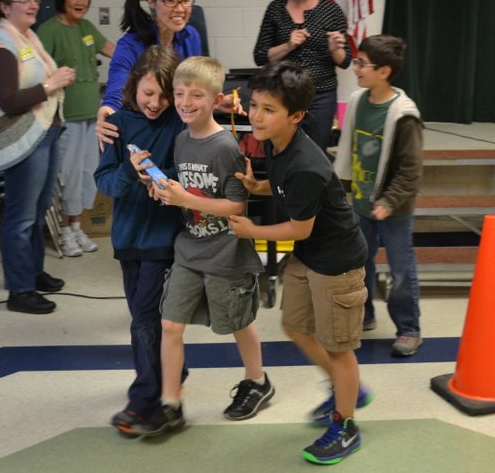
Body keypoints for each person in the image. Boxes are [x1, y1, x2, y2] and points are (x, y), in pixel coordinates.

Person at [119, 56, 274, 437]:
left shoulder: (225, 146)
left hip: (226, 252)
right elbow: (184, 190)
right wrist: (161, 190)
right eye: (180, 94)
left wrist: (184, 200)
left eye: (197, 95)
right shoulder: (181, 139)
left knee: (238, 322)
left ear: (215, 98)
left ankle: (258, 381)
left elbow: (237, 206)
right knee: (170, 323)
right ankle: (170, 404)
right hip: (190, 248)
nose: (186, 102)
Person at [229, 62, 370, 465]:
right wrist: (259, 185)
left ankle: (346, 426)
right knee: (295, 326)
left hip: (336, 263)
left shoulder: (306, 163)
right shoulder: (276, 142)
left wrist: (251, 231)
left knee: (338, 348)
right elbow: (283, 187)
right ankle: (350, 390)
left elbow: (299, 228)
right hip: (308, 258)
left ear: (295, 116)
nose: (256, 116)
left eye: (268, 109)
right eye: (255, 105)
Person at [93, 46, 186, 434]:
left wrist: (162, 178)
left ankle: (144, 399)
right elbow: (104, 179)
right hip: (128, 238)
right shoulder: (118, 123)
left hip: (164, 240)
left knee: (146, 322)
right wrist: (132, 175)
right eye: (149, 93)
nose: (156, 103)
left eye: (165, 96)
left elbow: (188, 172)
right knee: (142, 319)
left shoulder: (180, 124)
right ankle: (173, 375)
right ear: (135, 86)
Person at [0, 0, 76, 314]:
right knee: (20, 216)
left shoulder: (27, 37)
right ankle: (19, 290)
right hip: (22, 137)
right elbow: (9, 101)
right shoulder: (0, 46)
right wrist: (52, 83)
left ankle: (33, 273)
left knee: (37, 212)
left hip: (44, 134)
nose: (33, 5)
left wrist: (56, 80)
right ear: (6, 8)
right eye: (24, 0)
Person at [334, 35, 424, 357]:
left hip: (394, 211)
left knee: (401, 271)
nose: (355, 68)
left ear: (384, 71)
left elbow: (411, 171)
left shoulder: (404, 115)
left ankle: (409, 329)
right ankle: (365, 316)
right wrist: (342, 190)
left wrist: (388, 202)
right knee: (360, 266)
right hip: (360, 205)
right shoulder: (358, 101)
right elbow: (348, 151)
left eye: (361, 64)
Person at [38, 0, 115, 257]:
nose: (80, 1)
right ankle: (64, 229)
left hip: (90, 115)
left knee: (88, 173)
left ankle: (77, 225)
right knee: (68, 174)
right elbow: (38, 72)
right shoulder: (48, 31)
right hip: (65, 116)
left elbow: (114, 52)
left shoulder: (86, 27)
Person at [253, 0, 352, 152]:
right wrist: (288, 45)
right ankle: (280, 185)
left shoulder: (331, 11)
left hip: (320, 96)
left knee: (314, 152)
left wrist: (335, 49)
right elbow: (260, 55)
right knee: (281, 149)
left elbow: (345, 60)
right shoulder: (276, 8)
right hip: (281, 95)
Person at [95, 0, 201, 147]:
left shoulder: (191, 37)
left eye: (185, 0)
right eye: (170, 1)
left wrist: (216, 100)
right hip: (140, 132)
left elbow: (197, 84)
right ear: (151, 1)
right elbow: (118, 83)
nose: (180, 8)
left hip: (176, 130)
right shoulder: (131, 44)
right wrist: (109, 108)